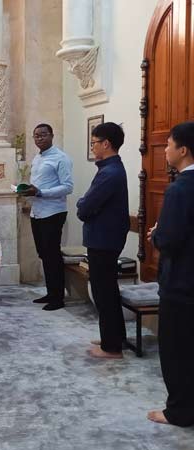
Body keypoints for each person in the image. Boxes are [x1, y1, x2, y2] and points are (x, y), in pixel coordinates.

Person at [147, 121, 194, 426]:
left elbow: (170, 240)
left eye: (168, 144)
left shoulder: (180, 188)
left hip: (181, 283)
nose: (165, 150)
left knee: (176, 351)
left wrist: (156, 235)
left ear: (183, 150)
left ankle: (178, 411)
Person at [77, 122, 129, 359]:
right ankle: (115, 337)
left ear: (106, 144)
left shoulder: (110, 172)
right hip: (106, 237)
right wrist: (85, 203)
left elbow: (85, 206)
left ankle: (111, 347)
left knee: (103, 292)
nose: (92, 147)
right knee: (108, 290)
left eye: (94, 143)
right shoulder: (110, 168)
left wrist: (82, 204)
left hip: (104, 239)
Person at [20, 124, 74, 311]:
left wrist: (41, 192)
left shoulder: (61, 158)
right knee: (43, 254)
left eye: (43, 135)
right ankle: (51, 293)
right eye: (36, 136)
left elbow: (68, 187)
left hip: (53, 212)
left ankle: (58, 298)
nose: (39, 138)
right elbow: (38, 184)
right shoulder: (38, 158)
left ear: (52, 135)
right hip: (37, 211)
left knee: (52, 255)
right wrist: (29, 190)